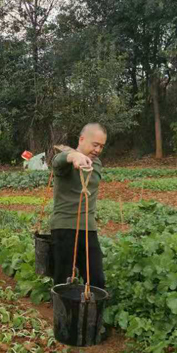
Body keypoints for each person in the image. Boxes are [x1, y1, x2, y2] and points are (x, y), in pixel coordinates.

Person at [50, 123, 107, 290]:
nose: (98, 150)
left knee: (97, 279)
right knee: (63, 280)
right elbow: (57, 161)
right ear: (82, 139)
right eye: (95, 144)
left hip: (88, 228)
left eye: (101, 146)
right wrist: (74, 157)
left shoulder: (97, 164)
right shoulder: (67, 160)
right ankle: (62, 314)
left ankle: (91, 314)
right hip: (64, 227)